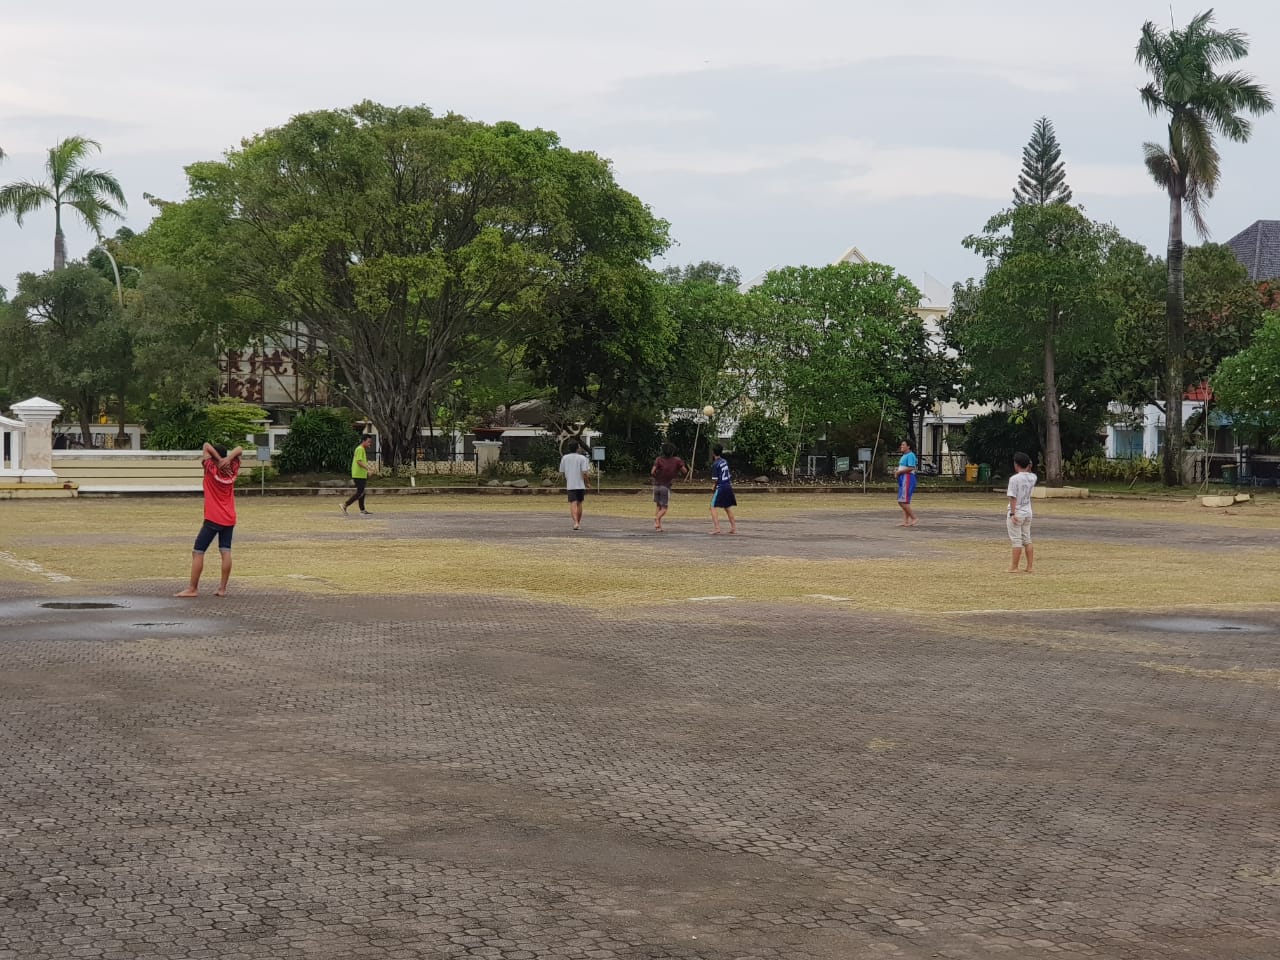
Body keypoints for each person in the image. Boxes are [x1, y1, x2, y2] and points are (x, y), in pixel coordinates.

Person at [176, 442, 242, 598]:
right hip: (229, 517)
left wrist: (217, 459)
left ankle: (193, 588)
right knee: (225, 551)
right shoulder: (232, 468)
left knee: (198, 551)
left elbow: (206, 445)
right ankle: (222, 589)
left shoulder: (210, 467)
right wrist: (227, 459)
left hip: (213, 517)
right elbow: (239, 449)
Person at [1006, 451, 1038, 573]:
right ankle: (1029, 566)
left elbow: (1012, 497)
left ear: (1016, 464)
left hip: (1017, 511)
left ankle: (1014, 567)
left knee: (1016, 540)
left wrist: (1012, 513)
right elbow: (1029, 471)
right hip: (1028, 511)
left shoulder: (1014, 479)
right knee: (1027, 539)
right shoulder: (1033, 477)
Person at [650, 442, 688, 531]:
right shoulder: (677, 460)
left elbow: (652, 472)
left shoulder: (659, 459)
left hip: (656, 486)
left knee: (658, 505)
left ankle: (658, 526)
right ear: (672, 452)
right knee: (664, 508)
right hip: (665, 487)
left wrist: (657, 476)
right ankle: (657, 518)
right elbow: (685, 471)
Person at [558, 439, 592, 530]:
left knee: (573, 503)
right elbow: (585, 472)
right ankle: (578, 522)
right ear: (577, 448)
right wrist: (588, 482)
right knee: (579, 503)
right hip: (580, 485)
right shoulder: (583, 458)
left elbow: (562, 472)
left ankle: (575, 522)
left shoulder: (565, 458)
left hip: (570, 484)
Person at [342, 436, 378, 516]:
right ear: (363, 441)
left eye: (370, 442)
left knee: (362, 492)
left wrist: (367, 471)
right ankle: (345, 505)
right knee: (360, 492)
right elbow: (359, 462)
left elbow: (361, 462)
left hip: (361, 474)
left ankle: (362, 510)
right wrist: (368, 469)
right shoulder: (360, 449)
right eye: (368, 441)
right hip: (358, 474)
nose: (370, 443)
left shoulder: (361, 449)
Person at [709, 443, 737, 534]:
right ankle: (733, 527)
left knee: (712, 507)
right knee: (727, 507)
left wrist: (714, 487)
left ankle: (717, 528)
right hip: (728, 485)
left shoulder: (715, 464)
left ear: (713, 453)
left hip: (721, 487)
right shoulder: (724, 461)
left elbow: (716, 480)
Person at [895, 440, 918, 527]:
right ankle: (905, 521)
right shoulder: (905, 455)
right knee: (903, 500)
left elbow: (911, 467)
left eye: (903, 445)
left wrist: (899, 472)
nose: (901, 446)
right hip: (903, 478)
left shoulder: (910, 455)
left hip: (907, 477)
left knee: (903, 501)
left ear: (908, 446)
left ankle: (914, 518)